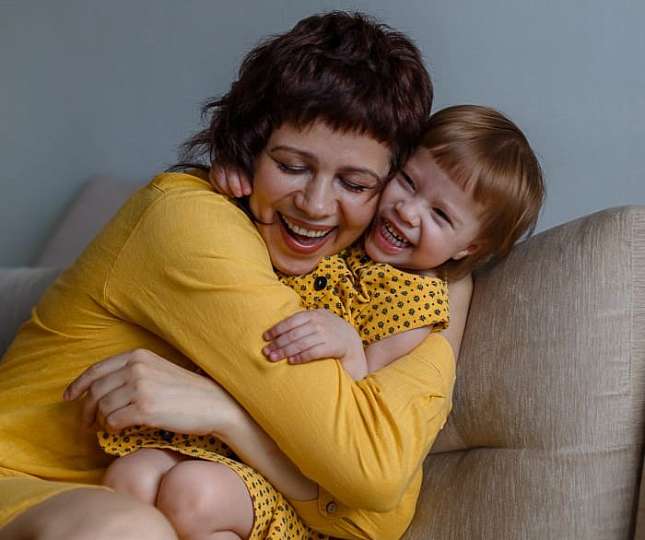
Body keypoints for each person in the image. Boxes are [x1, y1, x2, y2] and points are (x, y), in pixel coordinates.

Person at [0, 11, 464, 540]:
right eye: (291, 167)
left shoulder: (350, 279)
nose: (315, 205)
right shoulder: (191, 223)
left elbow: (380, 514)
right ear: (248, 149)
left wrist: (225, 416)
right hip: (23, 484)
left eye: (355, 184)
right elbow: (369, 472)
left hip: (143, 500)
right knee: (128, 527)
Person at [94, 104, 543, 539]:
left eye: (440, 215)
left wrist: (348, 346)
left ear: (468, 249)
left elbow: (357, 419)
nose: (408, 211)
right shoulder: (341, 228)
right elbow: (270, 226)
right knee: (130, 477)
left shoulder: (416, 304)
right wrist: (237, 181)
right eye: (407, 182)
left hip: (291, 475)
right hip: (228, 439)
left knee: (193, 495)